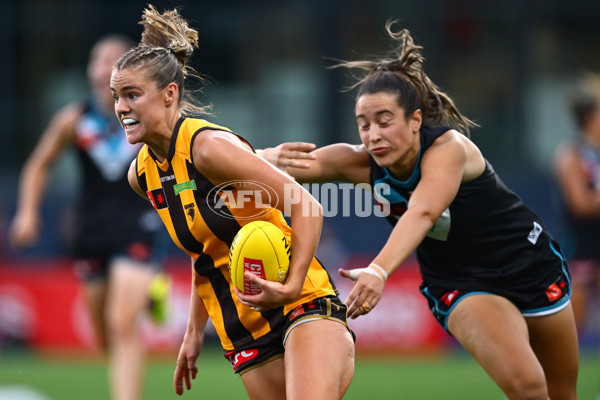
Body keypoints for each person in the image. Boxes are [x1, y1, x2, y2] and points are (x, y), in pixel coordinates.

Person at [269, 21, 579, 400]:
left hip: (529, 265)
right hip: (461, 282)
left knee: (562, 392)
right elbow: (269, 168)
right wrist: (259, 155)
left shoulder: (450, 149)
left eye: (384, 121)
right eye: (363, 125)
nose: (373, 135)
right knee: (530, 387)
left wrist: (379, 270)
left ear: (415, 120)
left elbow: (423, 212)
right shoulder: (358, 162)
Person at [110, 5, 355, 400]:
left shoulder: (206, 147)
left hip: (301, 303)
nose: (121, 107)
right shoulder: (141, 174)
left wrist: (292, 287)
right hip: (240, 329)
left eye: (132, 95)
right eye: (116, 96)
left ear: (170, 94)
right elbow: (203, 255)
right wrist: (192, 333)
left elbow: (306, 205)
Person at [8, 35, 170, 400]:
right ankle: (150, 295)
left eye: (115, 59)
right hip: (90, 230)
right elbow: (39, 164)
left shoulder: (150, 118)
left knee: (121, 324)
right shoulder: (74, 120)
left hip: (138, 224)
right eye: (99, 58)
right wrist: (27, 213)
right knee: (103, 336)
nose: (105, 65)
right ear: (90, 70)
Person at [553, 75, 600, 341]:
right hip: (580, 247)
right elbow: (580, 204)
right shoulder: (571, 154)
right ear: (591, 116)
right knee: (570, 334)